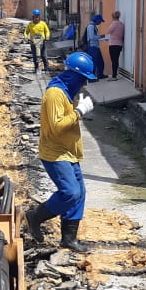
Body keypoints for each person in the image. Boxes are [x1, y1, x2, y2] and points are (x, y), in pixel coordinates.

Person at [24, 51, 97, 253]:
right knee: (70, 192)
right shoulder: (55, 94)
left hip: (69, 152)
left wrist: (76, 109)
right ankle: (35, 216)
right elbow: (57, 126)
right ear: (73, 74)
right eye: (83, 79)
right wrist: (79, 111)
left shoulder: (65, 91)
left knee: (79, 194)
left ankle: (68, 239)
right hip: (55, 153)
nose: (84, 84)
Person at [24, 9, 50, 73]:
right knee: (35, 56)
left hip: (41, 43)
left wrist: (47, 37)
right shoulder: (30, 24)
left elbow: (47, 31)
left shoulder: (43, 24)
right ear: (33, 17)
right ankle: (36, 68)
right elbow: (26, 32)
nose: (37, 18)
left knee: (44, 56)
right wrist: (26, 37)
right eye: (35, 16)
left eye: (38, 16)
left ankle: (46, 68)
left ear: (39, 17)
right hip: (33, 43)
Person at [104, 11, 125, 80]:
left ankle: (114, 76)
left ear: (113, 17)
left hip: (113, 44)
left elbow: (108, 31)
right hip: (119, 44)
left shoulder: (114, 24)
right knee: (116, 59)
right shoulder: (122, 24)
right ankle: (115, 74)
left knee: (113, 60)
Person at [85, 14, 105, 80]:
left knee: (100, 62)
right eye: (100, 21)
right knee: (93, 63)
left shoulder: (93, 26)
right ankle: (91, 78)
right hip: (92, 47)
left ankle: (100, 75)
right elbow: (92, 37)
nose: (100, 23)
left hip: (96, 46)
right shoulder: (91, 27)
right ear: (97, 20)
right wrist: (101, 37)